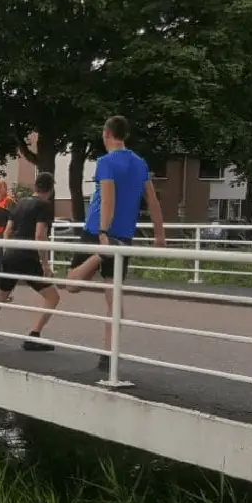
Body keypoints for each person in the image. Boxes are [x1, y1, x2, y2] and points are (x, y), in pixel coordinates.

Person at [66, 116, 166, 370]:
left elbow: (108, 197)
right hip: (123, 236)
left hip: (97, 231)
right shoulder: (140, 163)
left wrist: (103, 231)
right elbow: (152, 201)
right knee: (113, 297)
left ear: (107, 134)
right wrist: (159, 235)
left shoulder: (106, 162)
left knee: (72, 284)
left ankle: (101, 254)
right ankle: (108, 355)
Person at [0, 172, 60, 350]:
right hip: (28, 256)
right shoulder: (45, 206)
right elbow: (40, 235)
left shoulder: (21, 202)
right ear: (51, 189)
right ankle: (34, 336)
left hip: (11, 253)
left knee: (1, 293)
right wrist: (45, 264)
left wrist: (9, 251)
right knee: (53, 297)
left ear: (35, 186)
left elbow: (7, 231)